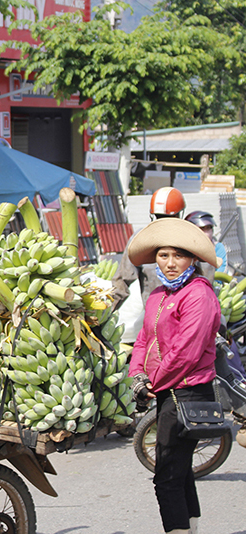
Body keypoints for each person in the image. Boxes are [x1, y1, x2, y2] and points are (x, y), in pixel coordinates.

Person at [127, 217, 220, 534]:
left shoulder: (198, 295)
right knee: (180, 472)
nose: (169, 263)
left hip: (189, 393)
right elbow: (143, 339)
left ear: (192, 259)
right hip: (168, 393)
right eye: (163, 255)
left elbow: (186, 352)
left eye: (177, 256)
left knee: (166, 477)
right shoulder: (158, 295)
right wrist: (137, 374)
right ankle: (190, 529)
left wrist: (154, 382)